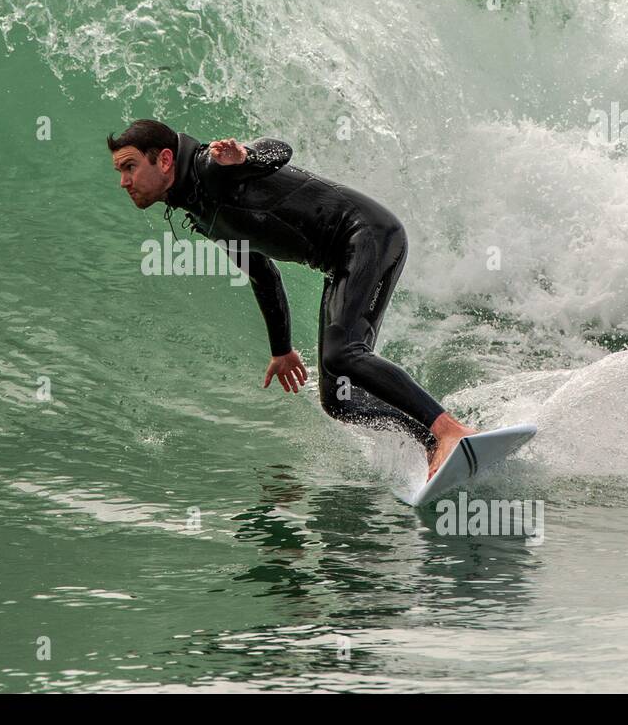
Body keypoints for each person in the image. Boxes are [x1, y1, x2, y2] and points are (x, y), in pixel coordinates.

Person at [108, 118, 477, 478]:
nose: (124, 182)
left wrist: (246, 157)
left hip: (368, 235)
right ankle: (433, 442)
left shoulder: (211, 167)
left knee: (343, 353)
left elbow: (277, 149)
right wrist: (281, 350)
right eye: (120, 172)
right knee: (340, 401)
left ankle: (449, 430)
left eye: (130, 167)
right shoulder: (200, 208)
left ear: (166, 160)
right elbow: (261, 273)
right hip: (341, 260)